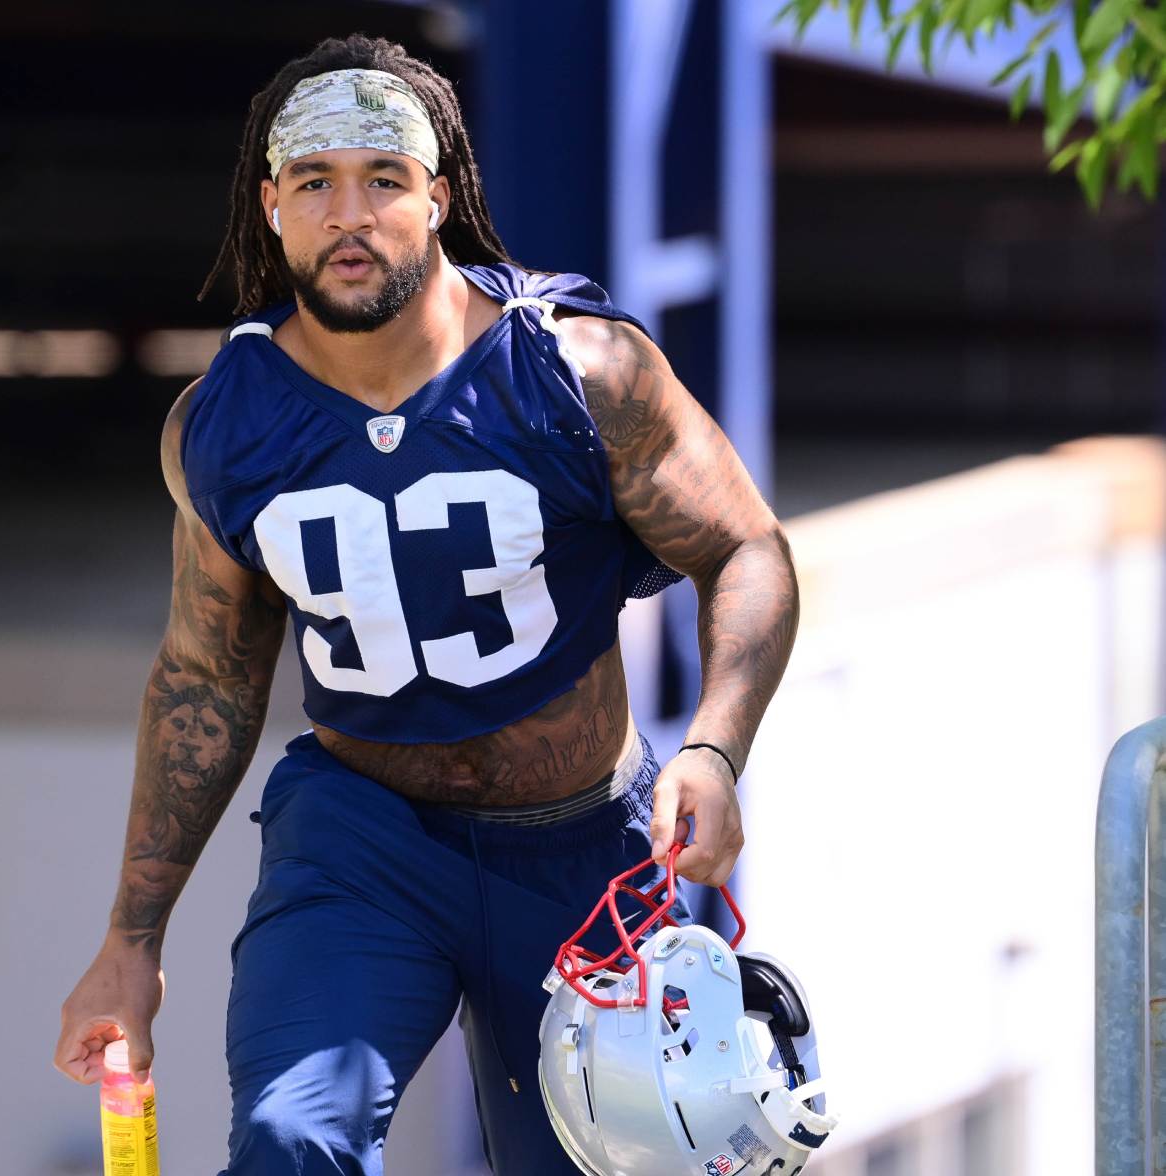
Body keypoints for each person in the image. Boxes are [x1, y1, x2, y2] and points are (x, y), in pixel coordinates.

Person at [54, 33, 799, 1176]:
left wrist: (713, 747)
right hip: (361, 844)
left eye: (383, 180)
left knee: (638, 1160)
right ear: (270, 207)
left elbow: (745, 546)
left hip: (582, 851)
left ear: (439, 197)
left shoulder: (575, 372)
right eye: (314, 183)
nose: (349, 214)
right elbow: (204, 679)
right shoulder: (224, 425)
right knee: (287, 1139)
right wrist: (130, 942)